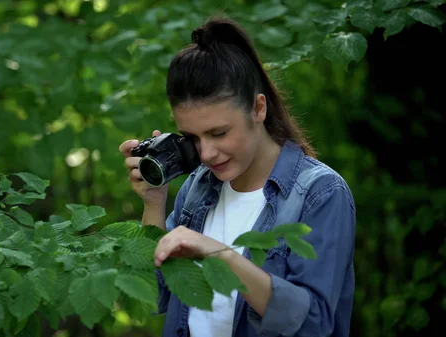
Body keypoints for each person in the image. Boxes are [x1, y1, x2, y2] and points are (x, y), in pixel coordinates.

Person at [118, 16, 356, 337]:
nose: (205, 154)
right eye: (192, 137)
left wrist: (217, 252)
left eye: (219, 133)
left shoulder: (320, 194)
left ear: (258, 109)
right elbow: (154, 294)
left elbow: (314, 324)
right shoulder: (198, 187)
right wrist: (154, 202)